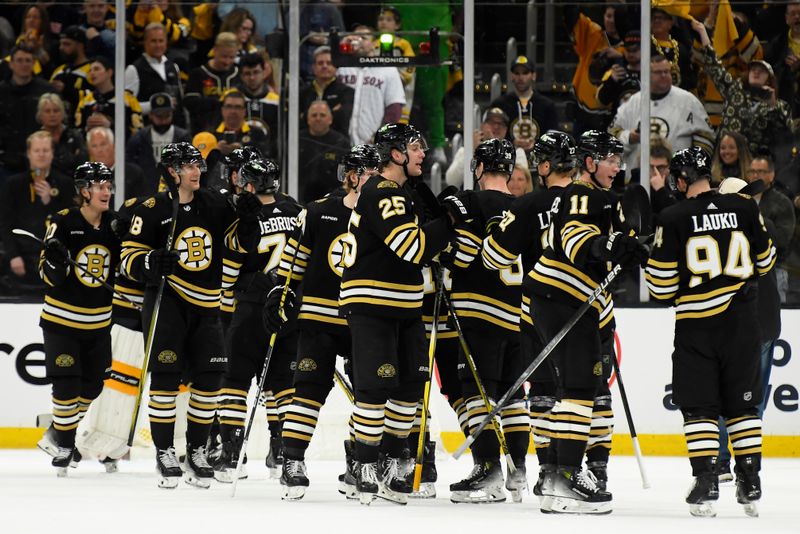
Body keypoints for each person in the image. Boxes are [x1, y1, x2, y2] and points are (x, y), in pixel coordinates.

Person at [119, 142, 262, 488]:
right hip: (168, 300)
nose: (197, 171)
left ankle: (197, 450)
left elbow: (242, 246)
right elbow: (127, 260)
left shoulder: (214, 203)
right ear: (172, 171)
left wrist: (247, 218)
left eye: (198, 164)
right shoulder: (151, 209)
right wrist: (149, 262)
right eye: (188, 166)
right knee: (167, 378)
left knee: (211, 379)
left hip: (207, 304)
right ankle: (165, 450)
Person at [645, 147, 776, 518]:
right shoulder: (746, 208)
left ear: (681, 179)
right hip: (742, 324)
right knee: (743, 404)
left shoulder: (672, 217)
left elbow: (660, 288)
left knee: (700, 407)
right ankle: (750, 480)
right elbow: (766, 262)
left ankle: (706, 481)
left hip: (696, 328)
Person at [527, 130, 648, 514]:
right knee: (578, 389)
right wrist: (611, 247)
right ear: (590, 162)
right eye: (610, 159)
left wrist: (628, 250)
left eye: (618, 159)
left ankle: (562, 474)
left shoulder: (603, 199)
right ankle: (565, 477)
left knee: (583, 389)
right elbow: (577, 242)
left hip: (571, 302)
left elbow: (609, 252)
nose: (617, 166)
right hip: (561, 298)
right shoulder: (582, 193)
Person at [338, 123, 458, 504]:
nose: (423, 153)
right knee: (375, 390)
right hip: (374, 304)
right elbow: (411, 246)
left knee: (409, 389)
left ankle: (391, 461)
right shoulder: (384, 191)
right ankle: (365, 464)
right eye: (415, 147)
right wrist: (448, 223)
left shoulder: (401, 193)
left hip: (405, 305)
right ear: (395, 154)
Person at [268, 144, 380, 500]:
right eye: (369, 174)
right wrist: (279, 293)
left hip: (363, 319)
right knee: (308, 390)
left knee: (369, 393)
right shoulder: (316, 212)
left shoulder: (383, 217)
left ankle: (359, 461)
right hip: (318, 317)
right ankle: (293, 460)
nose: (376, 181)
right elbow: (292, 262)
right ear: (351, 176)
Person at [481, 130, 578, 508]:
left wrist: (494, 233)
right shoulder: (593, 201)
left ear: (544, 165)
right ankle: (581, 468)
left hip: (536, 313)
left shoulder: (526, 205)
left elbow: (494, 259)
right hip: (584, 313)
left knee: (540, 394)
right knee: (579, 393)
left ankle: (549, 469)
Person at [444, 138, 529, 504]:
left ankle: (488, 470)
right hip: (518, 315)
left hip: (477, 312)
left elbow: (462, 256)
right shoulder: (525, 206)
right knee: (513, 397)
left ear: (478, 167)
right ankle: (519, 472)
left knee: (477, 392)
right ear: (509, 171)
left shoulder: (469, 202)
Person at [212, 158, 303, 484]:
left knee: (235, 379)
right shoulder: (296, 211)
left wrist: (225, 304)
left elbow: (230, 269)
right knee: (282, 382)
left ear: (247, 184)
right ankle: (281, 449)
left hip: (251, 305)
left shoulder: (244, 215)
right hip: (288, 305)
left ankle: (232, 451)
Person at [37, 162, 118, 474]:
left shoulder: (114, 224)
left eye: (108, 186)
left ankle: (59, 432)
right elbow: (46, 275)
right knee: (67, 385)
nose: (106, 191)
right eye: (99, 186)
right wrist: (57, 262)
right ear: (84, 191)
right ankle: (66, 445)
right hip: (61, 323)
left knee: (93, 387)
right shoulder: (63, 221)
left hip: (99, 324)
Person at [694, 21, 793, 163]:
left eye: (761, 72)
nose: (756, 73)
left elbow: (786, 137)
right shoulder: (735, 91)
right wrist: (703, 32)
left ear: (769, 80)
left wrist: (772, 106)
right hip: (724, 160)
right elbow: (715, 67)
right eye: (753, 69)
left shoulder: (780, 106)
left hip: (755, 165)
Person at [610, 54, 714, 175]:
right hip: (637, 180)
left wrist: (691, 169)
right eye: (658, 72)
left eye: (667, 71)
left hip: (677, 180)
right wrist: (629, 138)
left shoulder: (689, 102)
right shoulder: (632, 103)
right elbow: (612, 136)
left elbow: (707, 138)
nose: (664, 75)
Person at [0, 131, 73, 293]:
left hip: (53, 255)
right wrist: (13, 255)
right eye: (37, 151)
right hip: (21, 256)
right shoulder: (13, 184)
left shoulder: (66, 184)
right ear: (29, 153)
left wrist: (50, 202)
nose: (41, 155)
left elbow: (70, 222)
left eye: (45, 150)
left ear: (52, 154)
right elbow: (4, 223)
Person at [336, 26, 406, 145]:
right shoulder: (342, 66)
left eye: (363, 38)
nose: (358, 41)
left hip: (372, 143)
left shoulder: (387, 69)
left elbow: (394, 108)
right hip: (340, 141)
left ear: (374, 43)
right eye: (355, 38)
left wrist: (381, 136)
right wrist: (341, 46)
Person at [746, 156, 796, 302]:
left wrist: (758, 223)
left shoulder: (782, 203)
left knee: (774, 315)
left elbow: (782, 239)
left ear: (771, 174)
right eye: (752, 171)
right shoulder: (741, 200)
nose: (755, 175)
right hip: (745, 269)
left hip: (775, 268)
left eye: (761, 171)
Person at [0, 45, 55, 175]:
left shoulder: (46, 90)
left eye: (28, 60)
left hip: (40, 159)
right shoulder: (1, 91)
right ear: (11, 64)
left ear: (34, 63)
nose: (24, 64)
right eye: (19, 60)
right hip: (7, 161)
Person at [126, 92, 191, 195]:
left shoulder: (182, 137)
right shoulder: (139, 138)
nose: (163, 120)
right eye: (159, 116)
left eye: (167, 116)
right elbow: (129, 164)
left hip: (176, 190)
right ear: (151, 115)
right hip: (145, 190)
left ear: (172, 114)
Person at [489, 56, 558, 152]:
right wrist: (512, 143)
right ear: (511, 76)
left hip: (539, 161)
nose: (521, 77)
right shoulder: (500, 104)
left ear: (534, 76)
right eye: (517, 73)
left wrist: (537, 145)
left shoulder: (547, 105)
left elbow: (553, 138)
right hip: (508, 159)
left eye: (525, 73)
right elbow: (492, 135)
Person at [124, 23, 184, 121]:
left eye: (161, 41)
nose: (158, 45)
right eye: (153, 41)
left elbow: (180, 102)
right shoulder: (134, 69)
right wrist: (155, 105)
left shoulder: (173, 67)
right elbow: (126, 105)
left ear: (166, 43)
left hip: (174, 128)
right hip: (147, 129)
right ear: (145, 42)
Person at [75, 56, 143, 140]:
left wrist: (111, 126)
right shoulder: (85, 100)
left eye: (96, 69)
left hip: (121, 150)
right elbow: (77, 132)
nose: (92, 73)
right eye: (90, 70)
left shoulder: (128, 99)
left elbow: (138, 134)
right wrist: (87, 129)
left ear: (109, 72)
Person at [185, 32, 240, 134]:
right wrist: (219, 102)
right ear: (215, 50)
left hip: (234, 132)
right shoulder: (198, 74)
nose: (227, 62)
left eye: (231, 57)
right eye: (224, 56)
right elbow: (190, 103)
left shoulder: (239, 74)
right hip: (204, 132)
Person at [298, 100, 351, 203]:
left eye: (322, 115)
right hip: (300, 196)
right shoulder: (296, 140)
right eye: (314, 115)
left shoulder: (341, 142)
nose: (318, 118)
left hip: (333, 199)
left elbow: (345, 175)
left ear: (330, 119)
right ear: (308, 119)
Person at [299, 46, 354, 137]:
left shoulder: (347, 92)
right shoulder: (302, 92)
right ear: (313, 67)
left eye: (329, 63)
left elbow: (343, 118)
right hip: (306, 142)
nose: (325, 66)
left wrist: (309, 115)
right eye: (320, 63)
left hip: (338, 143)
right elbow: (297, 121)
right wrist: (332, 112)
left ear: (336, 67)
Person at [87, 126, 147, 199]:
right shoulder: (87, 177)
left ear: (114, 146)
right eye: (94, 146)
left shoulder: (134, 174)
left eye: (103, 144)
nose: (99, 150)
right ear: (90, 151)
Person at [238, 52, 279, 157]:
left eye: (256, 72)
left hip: (268, 158)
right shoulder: (232, 99)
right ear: (241, 76)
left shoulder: (276, 102)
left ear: (264, 73)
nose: (252, 77)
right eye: (247, 73)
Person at [37, 92, 88, 177]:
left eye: (56, 110)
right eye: (47, 111)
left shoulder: (75, 136)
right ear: (40, 115)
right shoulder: (36, 139)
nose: (52, 114)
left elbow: (82, 165)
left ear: (63, 113)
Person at [49, 26, 91, 124]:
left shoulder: (92, 70)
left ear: (80, 46)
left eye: (66, 44)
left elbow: (93, 98)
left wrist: (66, 90)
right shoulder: (59, 70)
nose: (61, 48)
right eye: (61, 44)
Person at [765, 2, 800, 118]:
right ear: (786, 18)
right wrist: (786, 67)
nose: (797, 17)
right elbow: (769, 70)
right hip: (785, 101)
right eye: (793, 14)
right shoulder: (777, 43)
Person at [210, 90, 269, 158]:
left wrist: (243, 152)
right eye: (229, 106)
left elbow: (265, 159)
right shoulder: (211, 134)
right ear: (222, 110)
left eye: (238, 107)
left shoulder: (257, 134)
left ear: (244, 111)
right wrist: (215, 151)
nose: (233, 111)